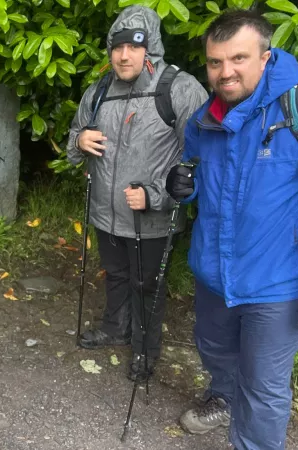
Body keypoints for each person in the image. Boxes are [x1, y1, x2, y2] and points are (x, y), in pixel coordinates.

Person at [165, 10, 298, 449]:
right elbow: (196, 179)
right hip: (213, 274)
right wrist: (182, 187)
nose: (225, 72)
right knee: (216, 354)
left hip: (277, 284)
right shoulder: (203, 120)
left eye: (239, 59)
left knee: (263, 390)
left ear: (265, 57)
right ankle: (223, 397)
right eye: (214, 62)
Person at [66, 5, 207, 380]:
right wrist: (79, 140)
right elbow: (71, 141)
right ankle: (116, 328)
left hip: (151, 216)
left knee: (147, 285)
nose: (124, 55)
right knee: (114, 274)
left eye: (134, 46)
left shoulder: (178, 88)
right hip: (106, 212)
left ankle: (146, 350)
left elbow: (198, 162)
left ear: (152, 48)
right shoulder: (99, 90)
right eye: (117, 46)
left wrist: (157, 196)